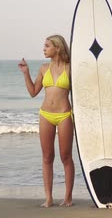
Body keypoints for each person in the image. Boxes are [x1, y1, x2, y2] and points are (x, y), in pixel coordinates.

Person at [18, 35, 74, 208]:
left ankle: (68, 198)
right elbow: (33, 92)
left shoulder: (70, 68)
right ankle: (48, 198)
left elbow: (89, 88)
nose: (44, 49)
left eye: (47, 46)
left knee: (66, 157)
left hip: (64, 115)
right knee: (47, 157)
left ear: (57, 48)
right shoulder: (43, 69)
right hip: (46, 115)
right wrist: (26, 73)